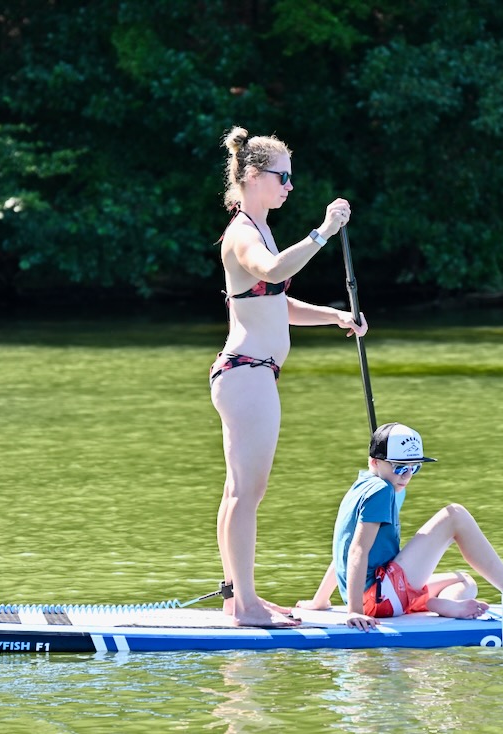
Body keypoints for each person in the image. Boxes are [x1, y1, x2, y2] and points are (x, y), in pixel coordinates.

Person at [212, 126, 367, 628]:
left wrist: (334, 314)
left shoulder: (259, 228)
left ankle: (239, 599)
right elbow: (275, 272)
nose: (289, 186)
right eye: (282, 177)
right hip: (248, 374)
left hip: (250, 374)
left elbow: (275, 302)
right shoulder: (242, 234)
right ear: (254, 176)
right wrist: (322, 231)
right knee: (246, 493)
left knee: (239, 491)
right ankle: (248, 607)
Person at [296, 422, 503, 630]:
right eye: (399, 467)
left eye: (414, 467)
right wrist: (353, 611)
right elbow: (356, 551)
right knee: (455, 515)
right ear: (374, 462)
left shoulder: (363, 486)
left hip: (381, 594)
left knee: (465, 580)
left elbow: (341, 553)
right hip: (377, 599)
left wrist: (320, 601)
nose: (407, 475)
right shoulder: (380, 491)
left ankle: (438, 604)